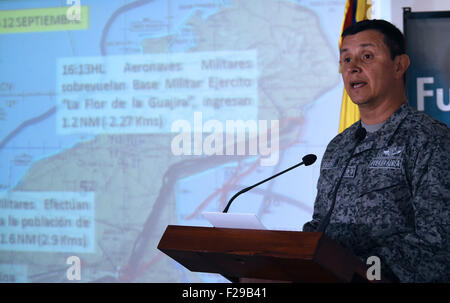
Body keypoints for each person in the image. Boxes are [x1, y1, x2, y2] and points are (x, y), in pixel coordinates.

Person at [303, 19, 450, 283]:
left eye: (367, 56)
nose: (353, 68)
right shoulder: (339, 146)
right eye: (346, 60)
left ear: (399, 65)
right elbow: (320, 227)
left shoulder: (430, 140)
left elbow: (438, 246)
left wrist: (358, 270)